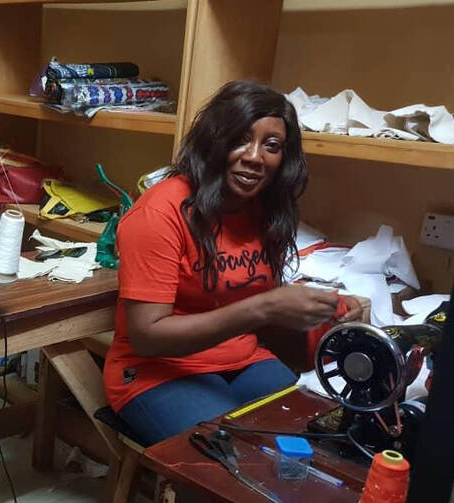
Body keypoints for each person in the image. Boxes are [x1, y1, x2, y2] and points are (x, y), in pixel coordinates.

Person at [103, 80, 362, 446]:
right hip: (155, 371)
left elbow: (282, 341)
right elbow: (147, 337)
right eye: (240, 138)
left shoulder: (262, 211)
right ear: (214, 140)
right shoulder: (159, 213)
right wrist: (265, 307)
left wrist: (329, 319)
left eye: (271, 146)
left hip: (242, 359)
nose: (255, 156)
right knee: (234, 459)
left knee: (317, 437)